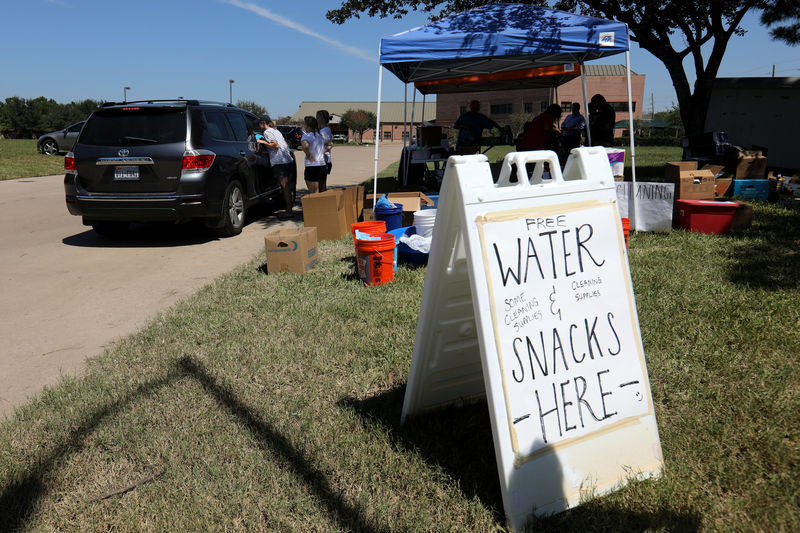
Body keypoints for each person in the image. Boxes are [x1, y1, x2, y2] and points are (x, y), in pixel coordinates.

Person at [256, 116, 294, 218]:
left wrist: (261, 142)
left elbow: (275, 145)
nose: (259, 126)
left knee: (284, 188)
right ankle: (289, 209)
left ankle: (289, 211)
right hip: (288, 160)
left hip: (279, 162)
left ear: (263, 123)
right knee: (287, 188)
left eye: (259, 123)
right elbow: (284, 143)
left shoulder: (267, 132)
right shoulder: (276, 131)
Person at [300, 115, 327, 194]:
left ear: (307, 125)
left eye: (304, 124)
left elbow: (305, 145)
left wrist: (308, 154)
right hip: (322, 165)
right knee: (322, 191)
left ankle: (316, 206)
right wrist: (323, 151)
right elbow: (330, 144)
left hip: (312, 166)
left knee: (314, 192)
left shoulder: (306, 136)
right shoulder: (320, 136)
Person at [316, 110, 334, 176]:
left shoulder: (325, 131)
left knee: (320, 184)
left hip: (323, 161)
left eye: (317, 117)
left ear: (322, 119)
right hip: (323, 161)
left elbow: (329, 145)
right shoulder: (323, 130)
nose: (316, 119)